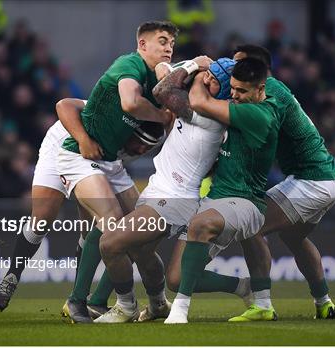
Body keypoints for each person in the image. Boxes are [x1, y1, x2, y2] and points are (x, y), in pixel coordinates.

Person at [94, 57, 257, 323]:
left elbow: (162, 91)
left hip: (174, 199)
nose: (207, 80)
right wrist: (190, 68)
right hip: (161, 189)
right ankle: (161, 304)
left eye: (216, 81)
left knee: (110, 244)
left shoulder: (210, 114)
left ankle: (126, 306)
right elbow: (164, 73)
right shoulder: (201, 100)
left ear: (226, 92)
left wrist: (193, 65)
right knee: (147, 256)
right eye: (209, 74)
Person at [0, 98, 163, 311]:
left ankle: (79, 296)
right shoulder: (112, 113)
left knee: (116, 227)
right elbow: (63, 105)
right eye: (141, 144)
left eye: (148, 148)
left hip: (101, 161)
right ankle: (11, 277)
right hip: (63, 145)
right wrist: (82, 139)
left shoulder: (150, 133)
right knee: (42, 220)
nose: (142, 150)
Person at [58, 21, 179, 323]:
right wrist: (162, 115)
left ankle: (129, 301)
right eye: (162, 41)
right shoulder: (129, 64)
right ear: (142, 45)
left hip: (111, 163)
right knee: (111, 220)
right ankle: (78, 301)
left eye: (172, 44)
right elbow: (128, 102)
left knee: (134, 233)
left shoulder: (161, 83)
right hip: (80, 156)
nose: (168, 48)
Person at [230, 44, 335, 321]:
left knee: (250, 225)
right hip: (327, 177)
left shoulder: (272, 94)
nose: (232, 71)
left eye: (238, 64)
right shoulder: (271, 90)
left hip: (312, 180)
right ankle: (324, 302)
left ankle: (263, 304)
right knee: (293, 237)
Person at [165, 58, 280, 324]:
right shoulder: (237, 105)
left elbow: (198, 102)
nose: (235, 96)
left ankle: (179, 311)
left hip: (246, 202)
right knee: (176, 278)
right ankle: (244, 287)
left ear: (260, 89)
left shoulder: (259, 115)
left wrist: (197, 72)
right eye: (234, 89)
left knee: (200, 223)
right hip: (216, 198)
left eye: (242, 92)